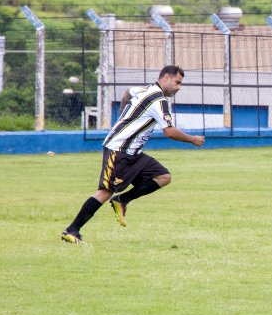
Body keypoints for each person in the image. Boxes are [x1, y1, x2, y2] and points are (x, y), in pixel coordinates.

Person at [61, 65, 205, 243]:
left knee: (163, 177)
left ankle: (122, 200)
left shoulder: (145, 89)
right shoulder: (159, 101)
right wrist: (193, 139)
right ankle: (72, 230)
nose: (178, 88)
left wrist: (123, 117)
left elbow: (127, 93)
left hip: (134, 153)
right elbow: (169, 131)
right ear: (166, 78)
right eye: (177, 82)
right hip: (119, 150)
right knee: (105, 191)